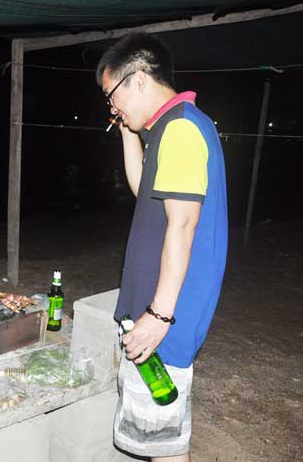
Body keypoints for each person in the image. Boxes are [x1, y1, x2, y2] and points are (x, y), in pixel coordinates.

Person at [96, 32, 228, 462]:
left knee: (165, 448)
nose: (111, 106)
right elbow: (144, 191)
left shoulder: (181, 130)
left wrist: (159, 315)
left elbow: (183, 225)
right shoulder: (167, 130)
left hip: (166, 319)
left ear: (138, 79)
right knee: (158, 442)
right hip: (157, 313)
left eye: (111, 95)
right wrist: (126, 131)